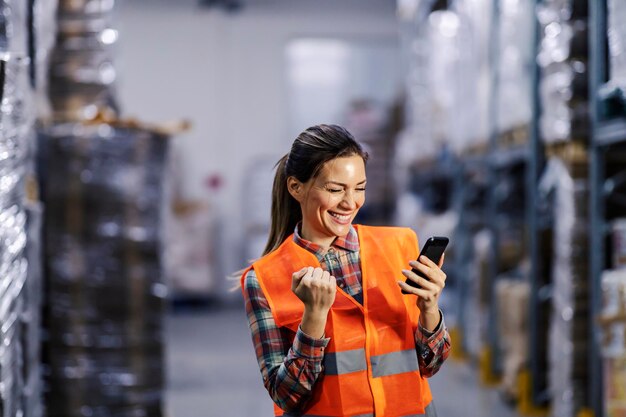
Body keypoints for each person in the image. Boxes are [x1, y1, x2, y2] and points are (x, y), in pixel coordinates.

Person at [241, 124, 450, 417]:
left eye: (359, 188)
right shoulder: (264, 279)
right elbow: (286, 396)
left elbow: (431, 364)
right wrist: (313, 319)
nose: (350, 203)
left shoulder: (400, 246)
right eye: (335, 189)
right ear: (296, 187)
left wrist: (430, 309)